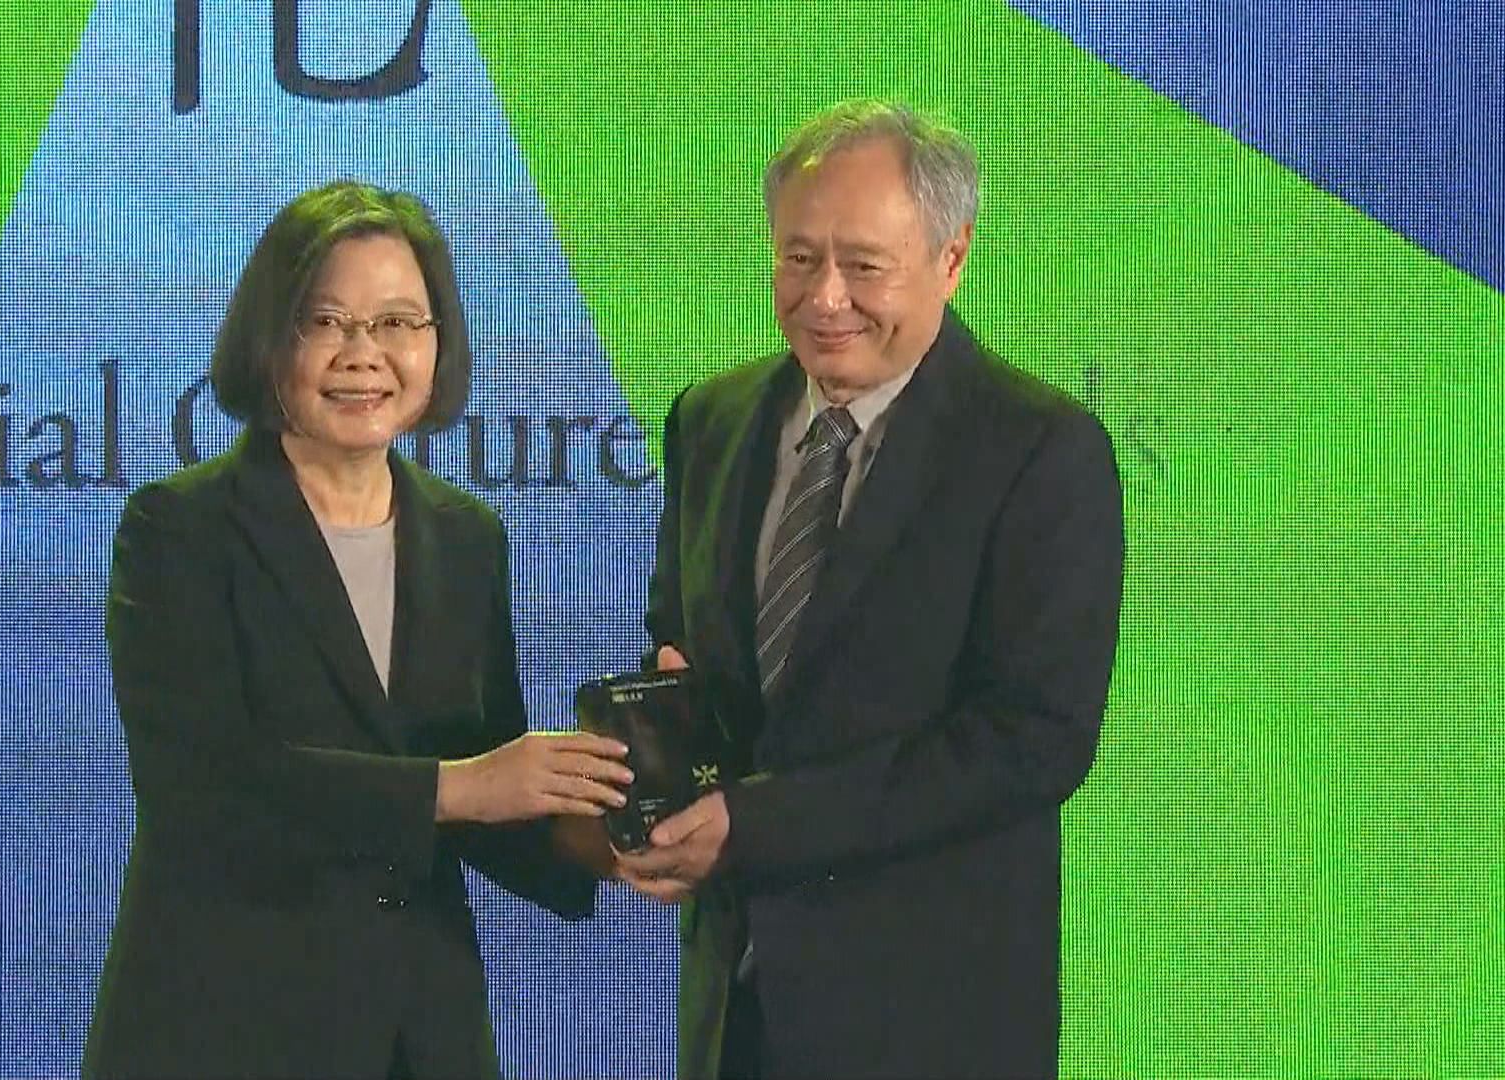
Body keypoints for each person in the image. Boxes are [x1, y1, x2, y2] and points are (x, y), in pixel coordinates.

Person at [615, 100, 1125, 1078]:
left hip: (928, 1023)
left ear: (952, 257)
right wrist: (662, 754)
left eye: (863, 265)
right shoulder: (712, 420)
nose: (825, 297)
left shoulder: (1038, 451)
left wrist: (755, 825)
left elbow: (1032, 740)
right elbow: (678, 639)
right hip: (735, 1015)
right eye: (798, 258)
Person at [82, 179, 634, 1079]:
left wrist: (607, 835)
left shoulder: (465, 537)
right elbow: (202, 787)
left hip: (420, 1037)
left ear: (438, 343)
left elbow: (481, 795)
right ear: (270, 338)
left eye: (397, 323)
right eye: (326, 321)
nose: (362, 354)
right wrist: (460, 787)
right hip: (227, 1031)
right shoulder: (180, 530)